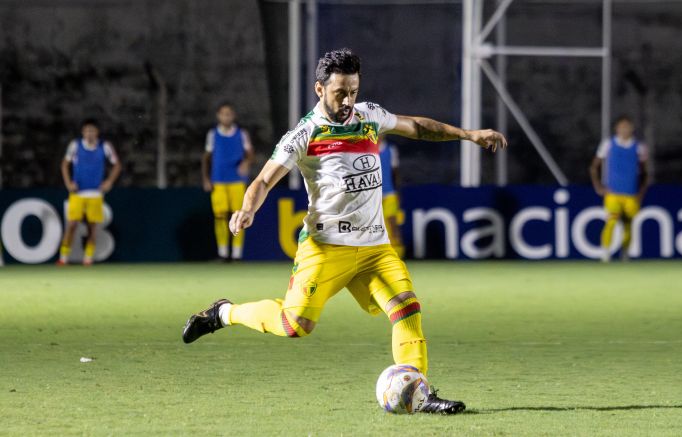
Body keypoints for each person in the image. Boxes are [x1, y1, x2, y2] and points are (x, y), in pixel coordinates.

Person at [182, 48, 506, 414]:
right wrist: (246, 208)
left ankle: (419, 392)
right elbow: (263, 180)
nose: (349, 100)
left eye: (353, 90)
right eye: (340, 92)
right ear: (319, 89)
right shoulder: (304, 134)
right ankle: (224, 313)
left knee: (407, 309)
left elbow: (416, 126)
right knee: (295, 325)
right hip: (326, 248)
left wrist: (469, 135)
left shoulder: (368, 116)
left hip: (374, 249)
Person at [57, 119, 121, 266]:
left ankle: (88, 257)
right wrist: (68, 183)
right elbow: (64, 164)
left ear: (97, 132)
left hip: (96, 193)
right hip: (77, 193)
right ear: (83, 132)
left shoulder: (105, 146)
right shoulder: (75, 145)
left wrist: (109, 181)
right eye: (87, 131)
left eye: (92, 130)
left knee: (93, 226)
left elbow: (117, 165)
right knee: (72, 224)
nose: (90, 134)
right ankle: (63, 257)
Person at [590, 115, 649, 262]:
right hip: (613, 193)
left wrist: (641, 192)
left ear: (632, 129)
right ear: (616, 129)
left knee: (628, 225)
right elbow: (593, 167)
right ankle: (605, 253)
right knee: (611, 222)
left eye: (627, 127)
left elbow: (645, 172)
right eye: (621, 127)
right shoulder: (608, 144)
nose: (624, 130)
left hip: (630, 194)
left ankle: (625, 253)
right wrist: (598, 186)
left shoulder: (639, 147)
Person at [202, 103, 254, 260]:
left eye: (229, 113)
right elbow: (206, 157)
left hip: (237, 180)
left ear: (233, 116)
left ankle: (237, 254)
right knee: (220, 216)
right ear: (218, 115)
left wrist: (246, 162)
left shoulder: (241, 134)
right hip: (218, 179)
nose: (226, 116)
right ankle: (223, 252)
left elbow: (250, 153)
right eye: (223, 114)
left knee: (238, 215)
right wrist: (206, 178)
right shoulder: (213, 134)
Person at [378, 135, 405, 258]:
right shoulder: (365, 149)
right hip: (372, 195)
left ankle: (397, 255)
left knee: (393, 224)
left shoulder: (391, 149)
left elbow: (395, 173)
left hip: (389, 193)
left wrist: (397, 192)